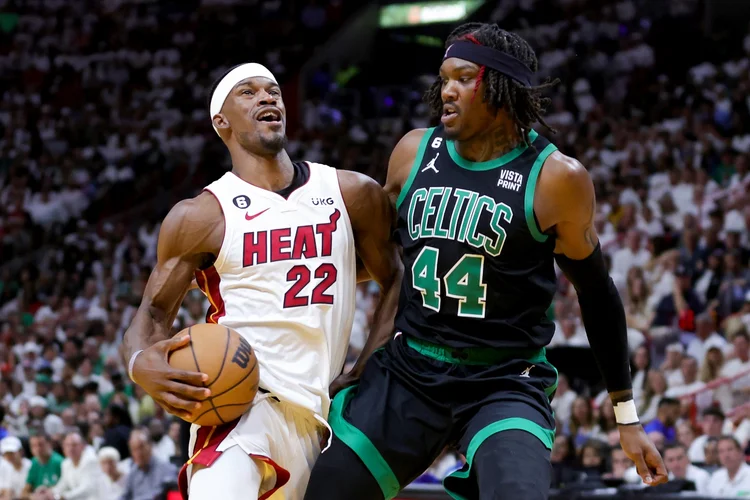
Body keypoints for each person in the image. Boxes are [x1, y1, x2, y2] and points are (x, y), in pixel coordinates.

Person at [304, 23, 666, 500]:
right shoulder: (414, 152)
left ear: (499, 86)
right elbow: (375, 259)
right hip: (411, 370)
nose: (445, 91)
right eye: (443, 78)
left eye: (462, 77)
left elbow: (597, 292)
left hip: (503, 380)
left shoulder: (556, 179)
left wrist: (626, 416)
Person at [120, 62, 401, 500]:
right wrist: (139, 362)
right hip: (240, 403)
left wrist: (365, 368)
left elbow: (396, 279)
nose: (268, 97)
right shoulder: (201, 215)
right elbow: (153, 313)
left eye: (272, 91)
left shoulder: (352, 193)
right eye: (248, 93)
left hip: (322, 419)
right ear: (222, 122)